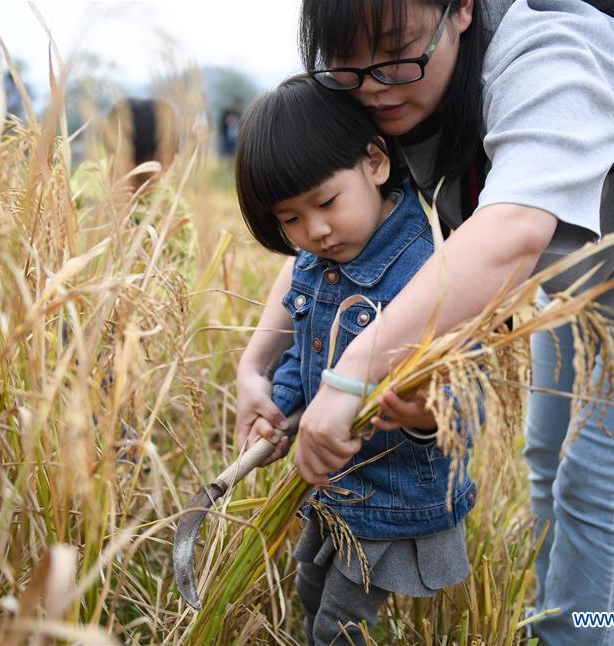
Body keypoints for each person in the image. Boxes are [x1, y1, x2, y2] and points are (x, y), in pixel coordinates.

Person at [235, 1, 614, 643]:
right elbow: (327, 238)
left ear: (461, 9)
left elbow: (513, 230)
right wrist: (256, 364)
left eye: (394, 53)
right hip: (579, 263)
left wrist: (349, 379)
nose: (373, 86)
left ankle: (581, 633)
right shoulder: (379, 83)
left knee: (594, 476)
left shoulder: (551, 60)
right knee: (547, 455)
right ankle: (581, 615)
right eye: (346, 67)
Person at [234, 74, 477, 645]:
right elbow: (304, 351)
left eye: (325, 203)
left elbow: (469, 402)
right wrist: (280, 409)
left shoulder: (431, 273)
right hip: (331, 487)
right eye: (290, 220)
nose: (314, 231)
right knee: (310, 590)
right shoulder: (321, 262)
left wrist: (422, 414)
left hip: (391, 498)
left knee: (340, 627)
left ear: (375, 162)